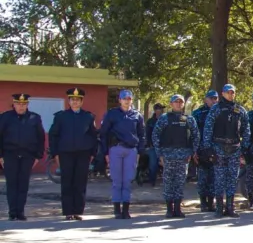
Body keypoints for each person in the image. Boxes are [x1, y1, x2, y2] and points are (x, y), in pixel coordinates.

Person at [47, 88, 99, 221]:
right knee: (67, 183)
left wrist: (93, 153)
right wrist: (55, 154)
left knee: (80, 183)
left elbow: (94, 136)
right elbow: (53, 136)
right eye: (72, 100)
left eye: (78, 100)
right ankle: (68, 212)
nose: (75, 102)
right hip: (65, 154)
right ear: (68, 101)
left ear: (82, 102)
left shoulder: (88, 116)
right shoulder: (60, 116)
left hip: (83, 154)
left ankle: (78, 211)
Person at [202, 83, 249, 218]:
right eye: (228, 92)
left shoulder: (240, 110)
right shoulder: (216, 109)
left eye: (232, 92)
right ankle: (219, 208)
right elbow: (208, 128)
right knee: (219, 179)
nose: (230, 94)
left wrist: (244, 147)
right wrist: (208, 148)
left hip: (234, 148)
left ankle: (230, 207)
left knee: (232, 179)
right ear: (222, 93)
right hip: (219, 147)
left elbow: (246, 129)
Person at [100, 89, 145, 219]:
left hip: (131, 150)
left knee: (128, 180)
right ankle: (116, 209)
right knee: (117, 181)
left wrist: (139, 152)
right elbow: (103, 134)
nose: (127, 100)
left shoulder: (137, 115)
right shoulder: (112, 114)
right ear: (119, 100)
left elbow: (142, 135)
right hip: (116, 149)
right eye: (124, 98)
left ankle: (125, 209)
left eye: (129, 98)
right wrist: (105, 152)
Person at [153, 94, 200, 218]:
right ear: (171, 104)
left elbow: (196, 136)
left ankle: (178, 209)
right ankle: (169, 209)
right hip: (168, 155)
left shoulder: (189, 119)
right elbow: (155, 135)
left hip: (183, 156)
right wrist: (159, 154)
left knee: (180, 182)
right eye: (176, 102)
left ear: (183, 104)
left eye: (181, 102)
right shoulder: (164, 118)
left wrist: (192, 152)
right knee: (168, 182)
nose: (178, 104)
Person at [0, 94, 45, 221]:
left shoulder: (34, 118)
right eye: (18, 104)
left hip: (27, 156)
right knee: (12, 184)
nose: (21, 106)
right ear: (13, 104)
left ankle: (20, 212)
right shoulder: (5, 117)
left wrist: (38, 156)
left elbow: (40, 138)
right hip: (10, 155)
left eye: (24, 104)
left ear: (27, 105)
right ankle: (12, 212)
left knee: (23, 184)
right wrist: (0, 156)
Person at [192, 90, 218, 212]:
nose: (214, 101)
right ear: (205, 99)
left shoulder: (219, 112)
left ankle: (211, 202)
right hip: (201, 149)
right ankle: (203, 202)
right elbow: (192, 133)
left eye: (215, 98)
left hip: (216, 149)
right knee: (203, 178)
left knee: (214, 177)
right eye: (211, 98)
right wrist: (194, 150)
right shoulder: (197, 113)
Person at [144, 103, 164, 186]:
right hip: (153, 147)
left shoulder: (165, 120)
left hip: (164, 147)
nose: (161, 110)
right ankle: (152, 180)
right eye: (159, 109)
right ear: (156, 110)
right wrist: (148, 145)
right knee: (153, 165)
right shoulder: (150, 121)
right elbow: (147, 134)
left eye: (162, 109)